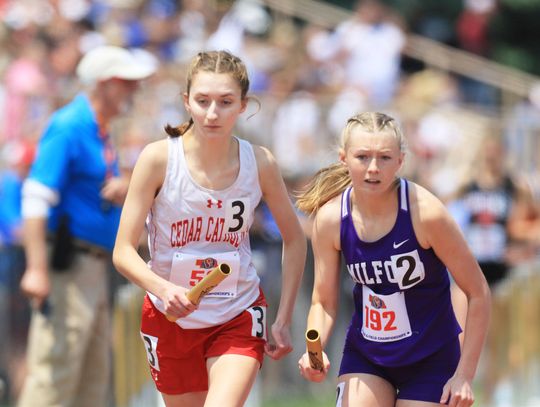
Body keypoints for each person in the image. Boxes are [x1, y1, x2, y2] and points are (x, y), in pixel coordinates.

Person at [112, 50, 306, 407]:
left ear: (243, 105)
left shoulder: (260, 162)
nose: (212, 113)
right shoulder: (157, 159)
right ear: (186, 102)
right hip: (171, 316)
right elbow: (123, 250)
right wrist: (163, 288)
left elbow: (295, 239)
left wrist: (283, 317)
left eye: (225, 102)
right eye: (202, 101)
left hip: (238, 311)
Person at [296, 112, 491, 407]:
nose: (373, 168)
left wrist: (464, 375)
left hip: (431, 358)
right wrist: (314, 350)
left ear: (400, 161)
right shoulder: (331, 220)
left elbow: (478, 292)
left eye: (384, 158)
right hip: (368, 354)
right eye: (362, 157)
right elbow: (322, 302)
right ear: (343, 158)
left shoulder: (426, 213)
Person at [17, 45, 156, 407]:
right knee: (55, 372)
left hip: (89, 268)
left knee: (91, 377)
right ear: (104, 84)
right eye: (126, 83)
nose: (133, 90)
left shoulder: (97, 129)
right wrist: (36, 269)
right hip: (69, 267)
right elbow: (35, 195)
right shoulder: (70, 125)